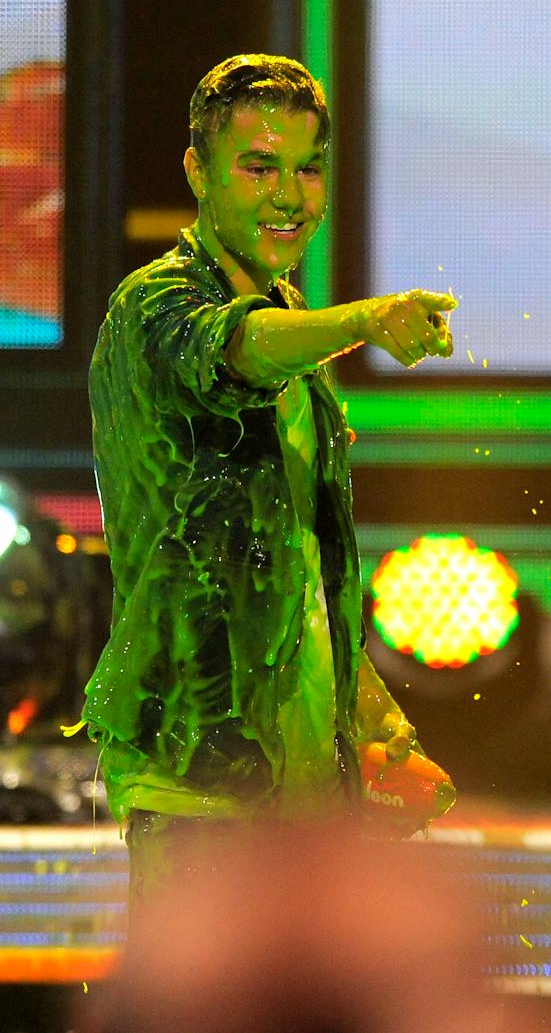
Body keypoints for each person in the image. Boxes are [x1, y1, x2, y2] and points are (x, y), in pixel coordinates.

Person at [83, 55, 456, 903]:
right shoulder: (154, 307)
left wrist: (367, 713)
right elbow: (238, 348)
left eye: (308, 169)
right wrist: (366, 318)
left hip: (307, 797)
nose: (290, 195)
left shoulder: (300, 343)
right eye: (258, 167)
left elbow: (301, 564)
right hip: (198, 785)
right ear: (197, 172)